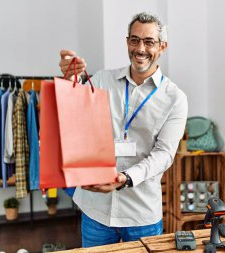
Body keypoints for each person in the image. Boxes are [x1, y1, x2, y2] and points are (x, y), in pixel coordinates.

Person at [59, 12, 188, 247]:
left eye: (149, 42)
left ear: (163, 47)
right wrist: (69, 75)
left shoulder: (175, 98)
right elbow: (72, 110)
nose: (140, 49)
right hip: (95, 209)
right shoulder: (101, 81)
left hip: (141, 213)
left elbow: (164, 154)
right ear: (127, 41)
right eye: (134, 40)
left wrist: (126, 178)